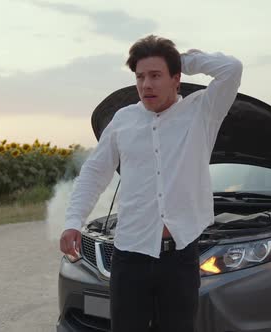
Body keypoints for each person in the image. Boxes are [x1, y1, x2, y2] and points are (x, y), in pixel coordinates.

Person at [60, 34, 242, 332]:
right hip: (130, 256)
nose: (146, 85)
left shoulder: (202, 112)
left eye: (156, 75)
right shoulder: (123, 120)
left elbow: (231, 68)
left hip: (180, 257)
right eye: (140, 76)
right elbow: (94, 172)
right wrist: (72, 220)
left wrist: (178, 57)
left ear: (176, 78)